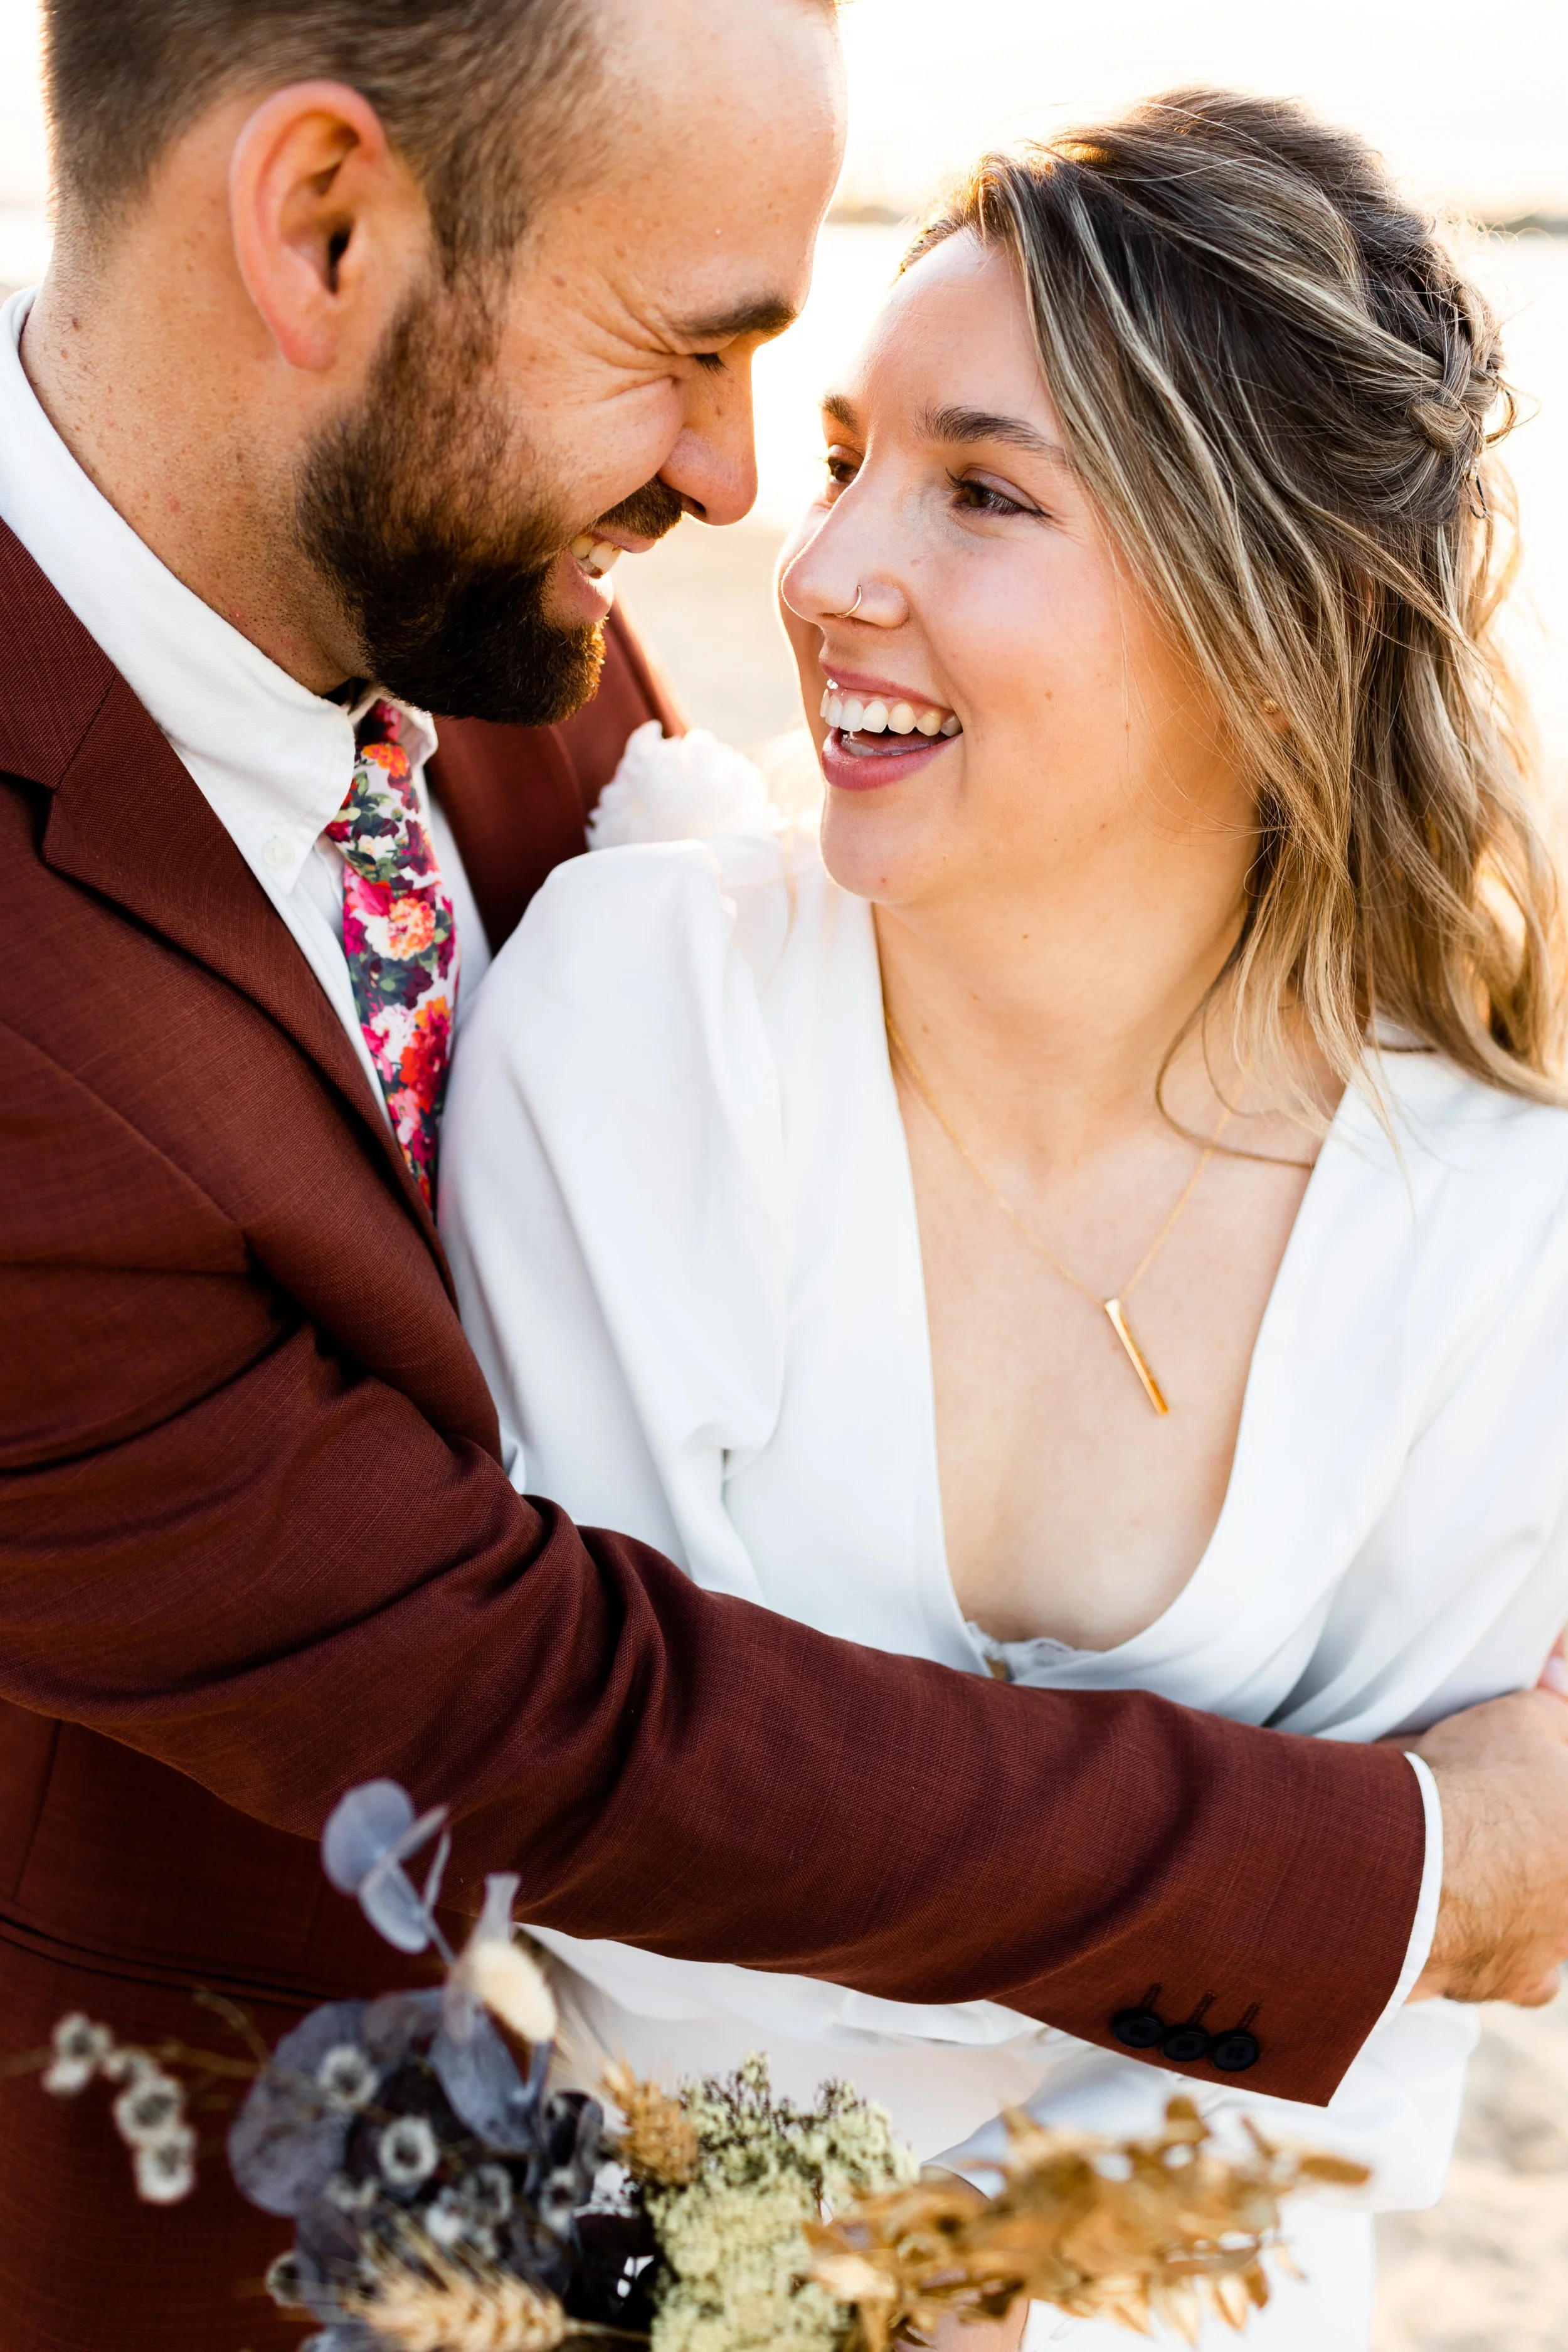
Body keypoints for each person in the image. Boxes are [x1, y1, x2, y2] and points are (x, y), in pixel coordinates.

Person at [3, 3, 1567, 2340]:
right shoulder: (499, 1014)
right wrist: (1406, 1875)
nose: (761, 512)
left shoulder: (486, 637)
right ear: (321, 230)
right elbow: (549, 1725)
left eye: (923, 460)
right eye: (693, 348)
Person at [439, 92, 1568, 2349]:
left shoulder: (1496, 1219)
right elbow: (621, 1864)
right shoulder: (633, 1023)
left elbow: (1354, 2067)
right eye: (851, 455)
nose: (826, 564)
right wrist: (1343, 1866)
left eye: (977, 491)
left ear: (1273, 614)